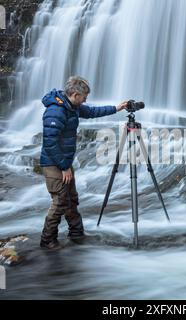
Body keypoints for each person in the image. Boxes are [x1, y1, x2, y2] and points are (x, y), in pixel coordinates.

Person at [39, 76, 128, 249]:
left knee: (71, 199)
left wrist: (117, 108)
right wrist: (64, 167)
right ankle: (47, 240)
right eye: (84, 96)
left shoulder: (72, 106)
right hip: (54, 164)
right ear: (74, 94)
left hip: (63, 162)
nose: (86, 99)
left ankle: (76, 233)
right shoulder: (56, 111)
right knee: (59, 202)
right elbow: (50, 143)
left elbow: (93, 112)